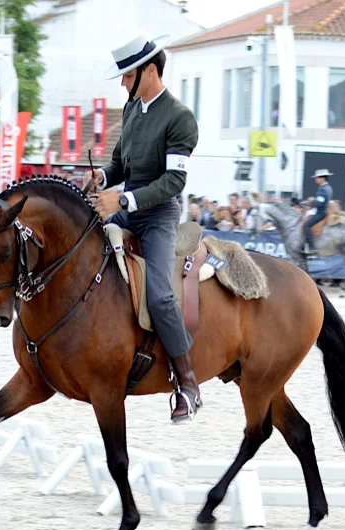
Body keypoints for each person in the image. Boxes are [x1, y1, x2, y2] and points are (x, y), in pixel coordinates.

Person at [89, 30, 202, 423]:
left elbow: (174, 182)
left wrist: (122, 199)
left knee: (159, 296)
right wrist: (101, 179)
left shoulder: (180, 118)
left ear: (149, 71)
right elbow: (119, 165)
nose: (122, 82)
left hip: (158, 216)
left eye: (126, 75)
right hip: (126, 206)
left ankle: (186, 382)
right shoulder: (132, 109)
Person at [303, 169, 332, 255]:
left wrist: (312, 200)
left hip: (321, 212)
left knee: (306, 226)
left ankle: (311, 247)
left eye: (317, 178)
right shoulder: (327, 188)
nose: (315, 180)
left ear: (322, 178)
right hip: (322, 210)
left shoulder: (323, 189)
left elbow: (320, 203)